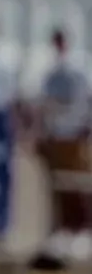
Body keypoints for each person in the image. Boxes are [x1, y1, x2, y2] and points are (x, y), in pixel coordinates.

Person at [33, 26, 92, 259]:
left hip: (74, 134)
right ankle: (63, 230)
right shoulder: (50, 72)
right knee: (58, 185)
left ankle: (83, 231)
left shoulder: (79, 69)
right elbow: (44, 105)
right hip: (57, 135)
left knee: (77, 185)